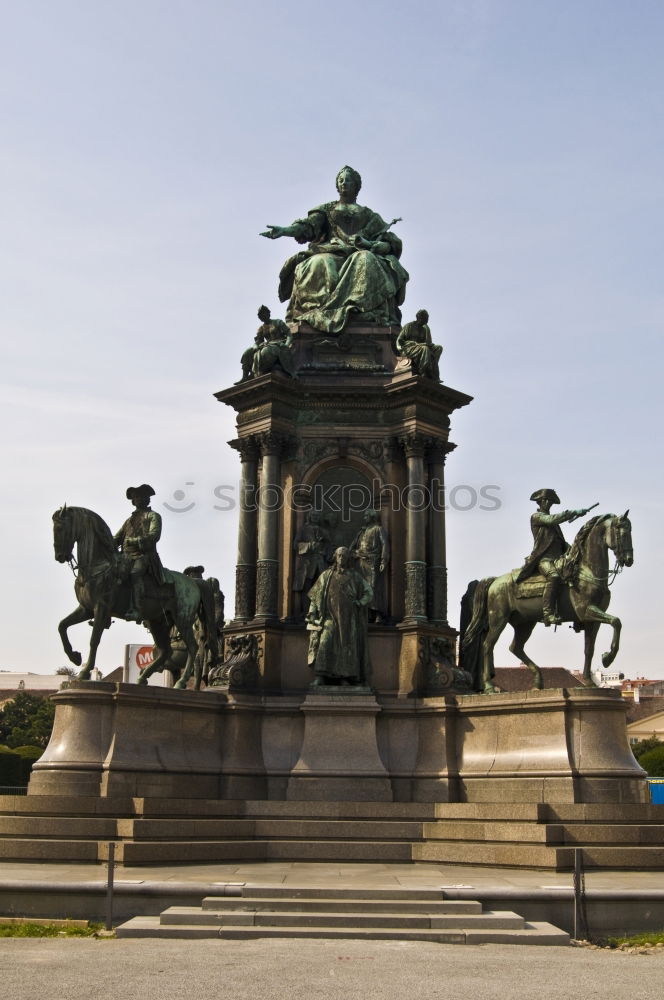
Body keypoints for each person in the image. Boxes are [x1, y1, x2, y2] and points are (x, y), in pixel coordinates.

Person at [261, 166, 409, 334]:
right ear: (337, 186)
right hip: (330, 251)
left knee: (366, 259)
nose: (344, 182)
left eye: (348, 180)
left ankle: (357, 309)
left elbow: (389, 240)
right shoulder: (326, 210)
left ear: (357, 186)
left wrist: (377, 245)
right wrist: (285, 231)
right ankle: (319, 311)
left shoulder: (368, 215)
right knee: (319, 262)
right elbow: (307, 226)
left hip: (358, 252)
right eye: (341, 180)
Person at [516, 489, 588, 626]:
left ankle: (578, 613)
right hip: (544, 559)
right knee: (553, 576)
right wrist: (573, 512)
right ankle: (548, 613)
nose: (549, 503)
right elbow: (552, 519)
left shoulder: (554, 525)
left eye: (551, 502)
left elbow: (560, 541)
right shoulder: (537, 517)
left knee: (576, 574)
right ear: (541, 502)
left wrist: (576, 550)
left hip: (558, 559)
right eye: (547, 501)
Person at [306, 547, 373, 686]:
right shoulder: (326, 575)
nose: (342, 558)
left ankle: (345, 677)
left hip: (349, 619)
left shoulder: (355, 577)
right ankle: (320, 676)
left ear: (348, 559)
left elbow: (369, 592)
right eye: (339, 556)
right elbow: (315, 596)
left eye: (345, 556)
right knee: (325, 642)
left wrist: (360, 602)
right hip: (329, 618)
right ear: (335, 557)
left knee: (347, 647)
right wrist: (312, 612)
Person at [114, 485, 164, 622]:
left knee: (135, 574)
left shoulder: (153, 516)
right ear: (133, 501)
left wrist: (135, 541)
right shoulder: (128, 521)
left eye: (142, 496)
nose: (139, 499)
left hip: (144, 556)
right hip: (126, 557)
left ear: (147, 499)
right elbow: (117, 538)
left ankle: (136, 609)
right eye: (136, 497)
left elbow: (154, 535)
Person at [350, 508, 390, 622]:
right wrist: (353, 554)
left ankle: (378, 613)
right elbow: (353, 546)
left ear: (372, 517)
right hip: (360, 562)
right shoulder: (361, 532)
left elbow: (385, 545)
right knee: (361, 588)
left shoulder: (378, 529)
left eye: (366, 516)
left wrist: (383, 560)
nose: (364, 518)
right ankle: (365, 613)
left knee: (373, 587)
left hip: (373, 562)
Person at [292, 511, 330, 615]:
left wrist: (324, 549)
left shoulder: (324, 531)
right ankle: (306, 611)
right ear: (309, 516)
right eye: (313, 515)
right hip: (308, 563)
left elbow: (329, 548)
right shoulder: (304, 529)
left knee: (322, 587)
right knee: (307, 587)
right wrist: (309, 546)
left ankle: (320, 611)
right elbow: (296, 545)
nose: (315, 517)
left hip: (321, 562)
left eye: (317, 516)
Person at [396, 309, 442, 380]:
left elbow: (427, 342)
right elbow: (400, 340)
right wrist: (412, 344)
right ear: (419, 317)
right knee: (425, 348)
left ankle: (433, 371)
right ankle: (423, 371)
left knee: (439, 348)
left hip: (419, 348)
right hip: (409, 348)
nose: (427, 320)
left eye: (427, 318)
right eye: (425, 318)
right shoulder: (409, 326)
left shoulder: (424, 329)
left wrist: (427, 330)